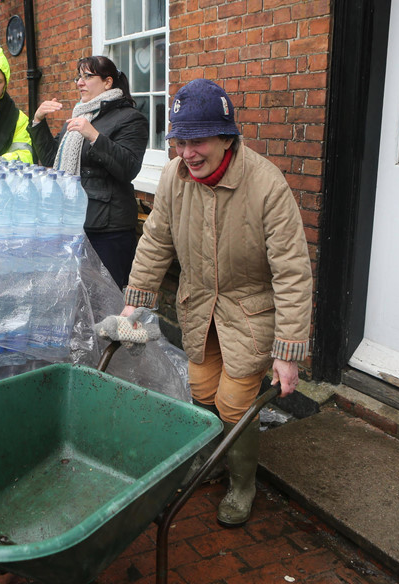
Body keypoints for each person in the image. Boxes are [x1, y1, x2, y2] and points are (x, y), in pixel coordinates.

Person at [120, 79, 312, 527]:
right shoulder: (173, 178)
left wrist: (287, 352)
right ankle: (211, 460)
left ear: (227, 138)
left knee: (234, 401)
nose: (187, 153)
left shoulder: (266, 185)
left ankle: (242, 484)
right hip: (199, 306)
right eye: (179, 141)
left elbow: (292, 272)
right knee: (203, 390)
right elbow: (156, 241)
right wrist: (135, 302)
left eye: (198, 141)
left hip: (250, 310)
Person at [30, 55, 148, 289]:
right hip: (75, 221)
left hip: (108, 229)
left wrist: (94, 136)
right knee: (80, 296)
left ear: (107, 82)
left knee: (108, 295)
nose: (80, 82)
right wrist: (38, 121)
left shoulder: (130, 118)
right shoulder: (80, 115)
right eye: (78, 77)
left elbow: (129, 168)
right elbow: (52, 159)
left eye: (87, 76)